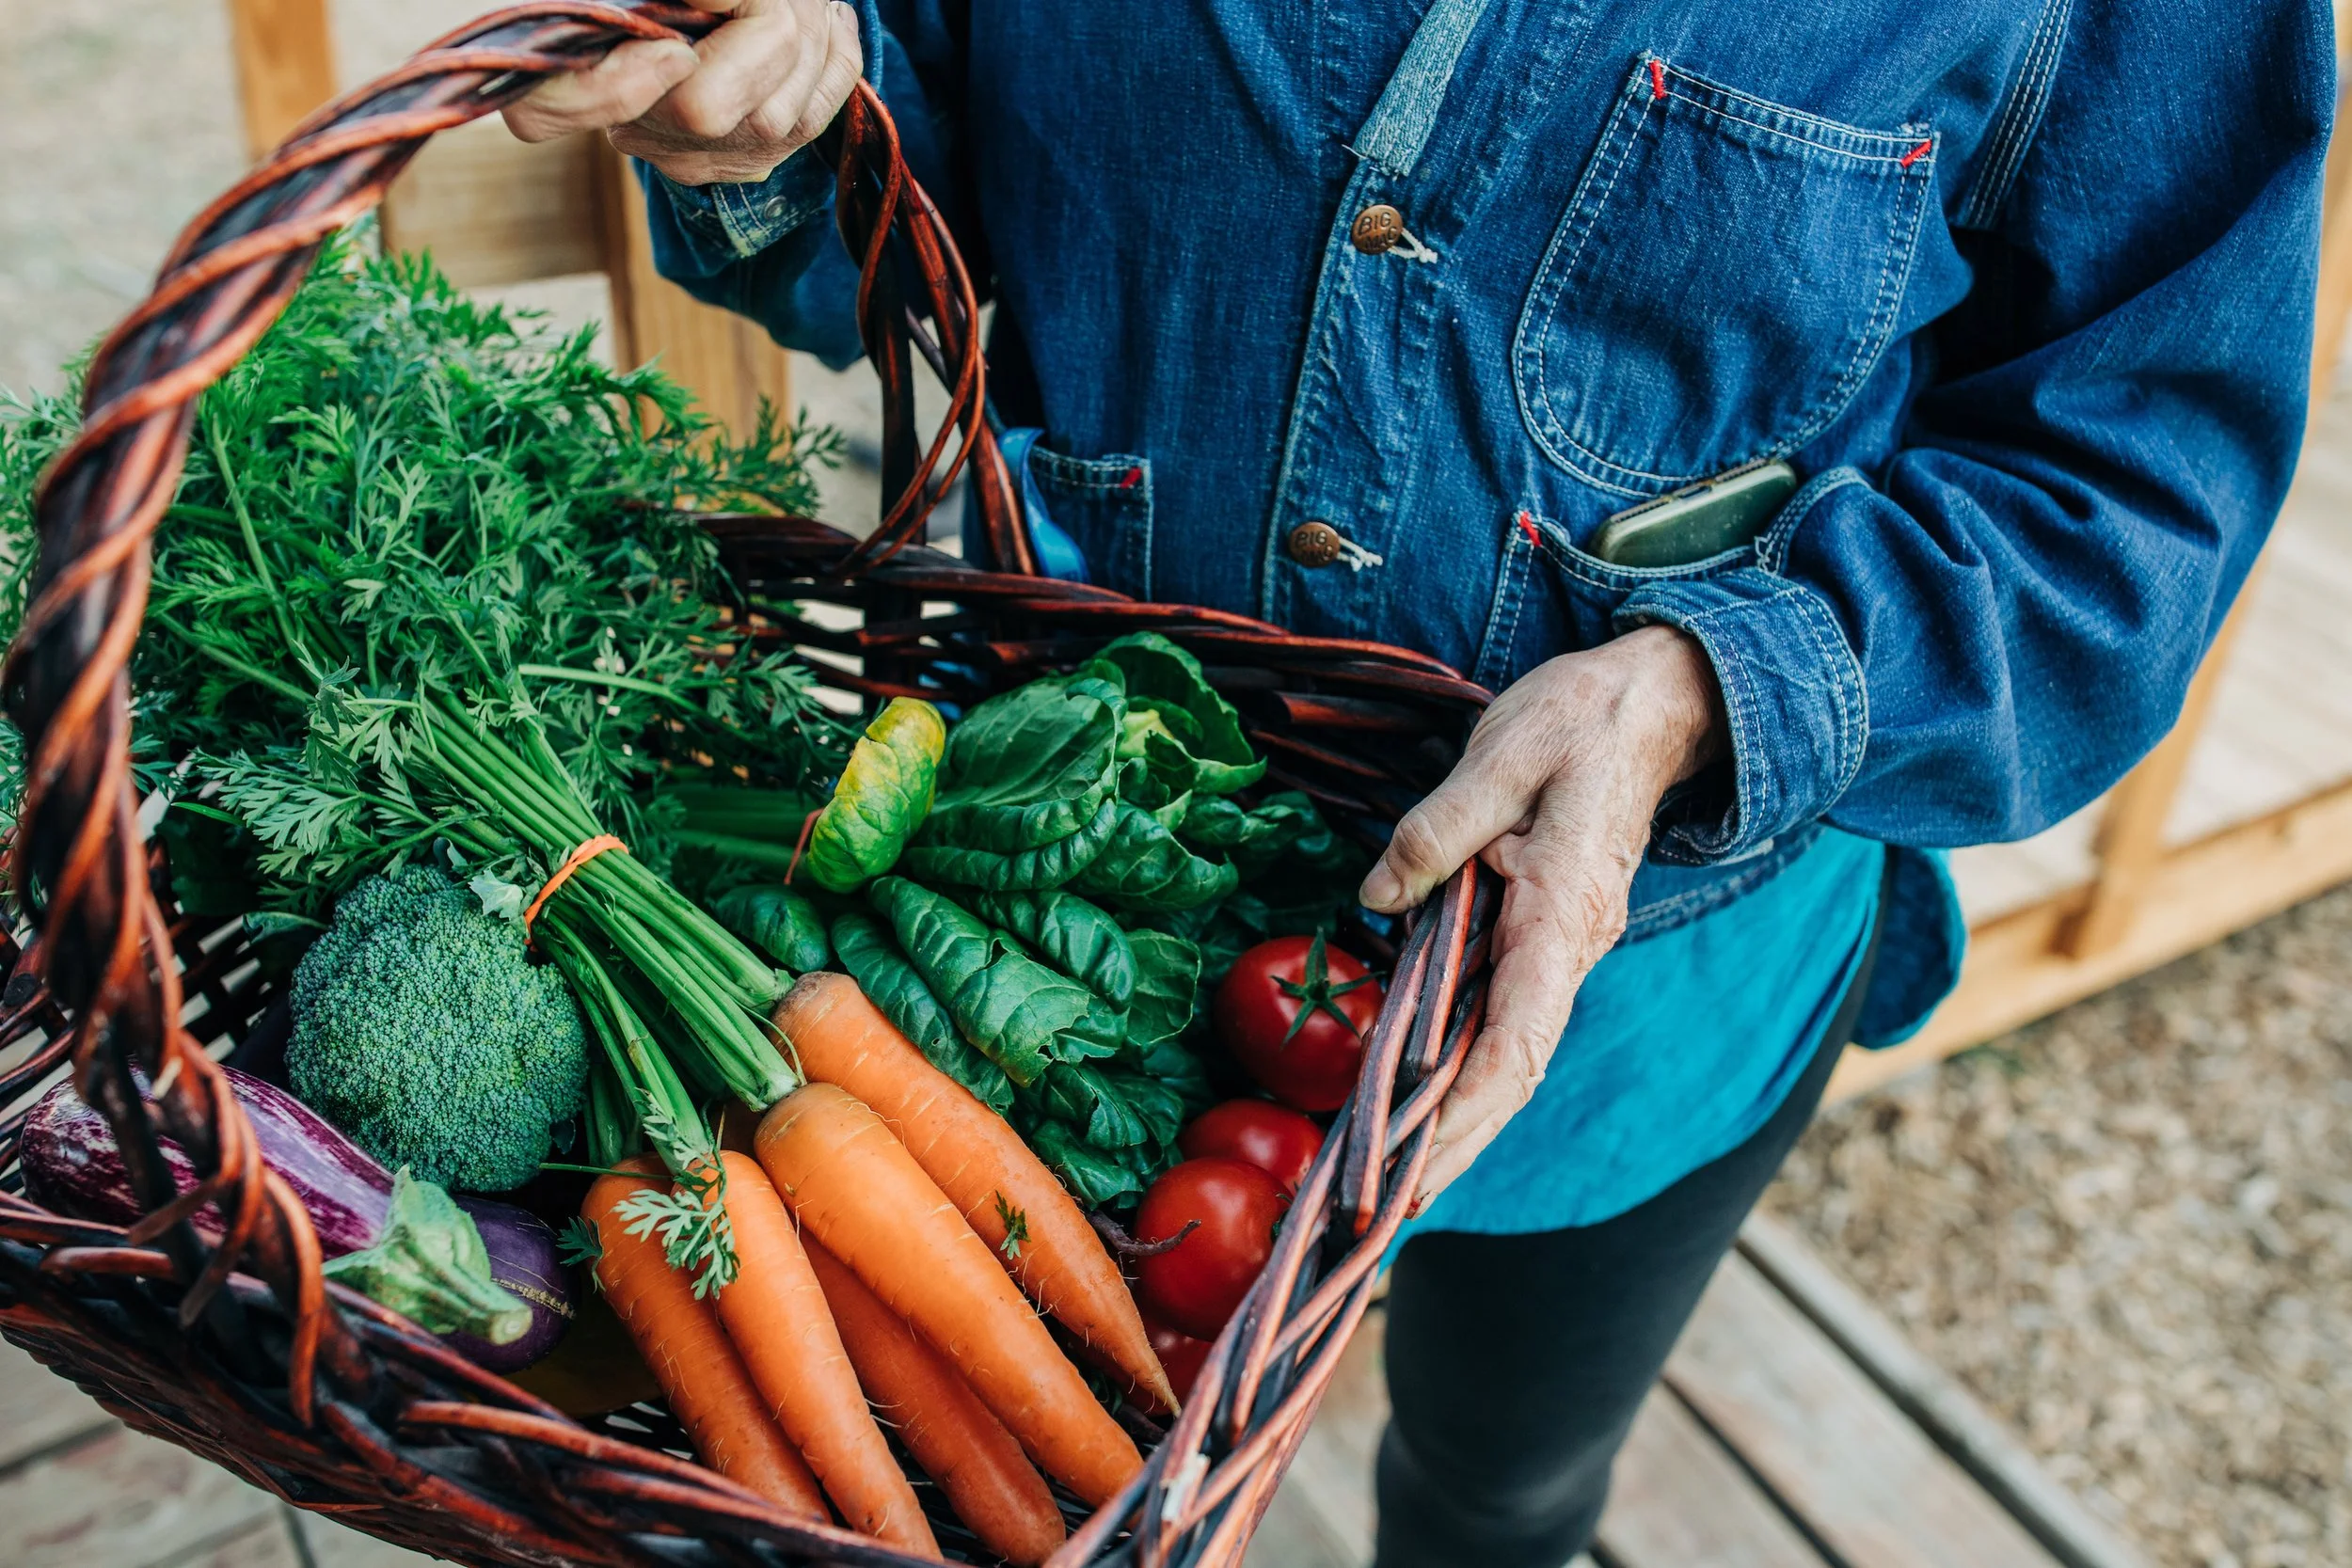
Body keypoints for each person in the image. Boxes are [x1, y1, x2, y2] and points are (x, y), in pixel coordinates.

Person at [510, 3, 2330, 1560]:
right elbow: (902, 180)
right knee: (1029, 1423)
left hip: (1638, 992)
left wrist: (1714, 683)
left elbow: (2132, 487)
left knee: (1501, 1475)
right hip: (1036, 918)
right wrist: (778, 100)